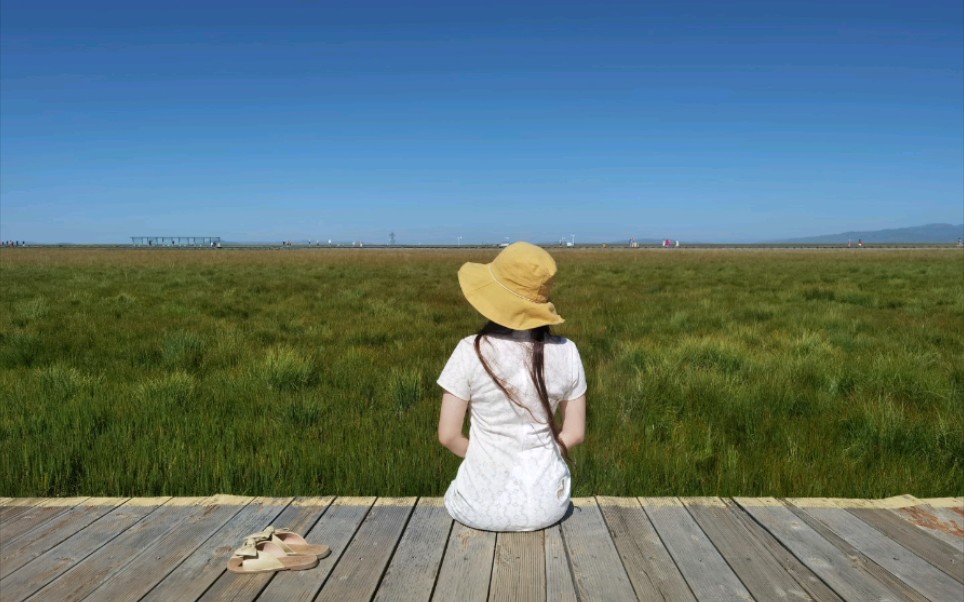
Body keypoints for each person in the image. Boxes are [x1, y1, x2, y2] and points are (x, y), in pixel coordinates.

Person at [437, 242, 587, 531]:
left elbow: (448, 436)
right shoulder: (568, 351)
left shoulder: (470, 349)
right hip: (548, 506)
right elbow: (575, 433)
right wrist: (537, 455)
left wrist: (490, 459)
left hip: (476, 508)